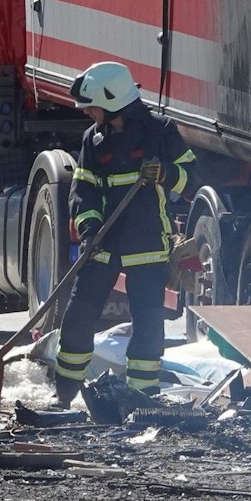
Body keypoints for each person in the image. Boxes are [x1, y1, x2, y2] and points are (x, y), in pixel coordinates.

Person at [55, 60, 196, 403]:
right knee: (79, 315)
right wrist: (88, 229)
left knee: (148, 323)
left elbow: (193, 179)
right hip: (102, 242)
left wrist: (164, 172)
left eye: (92, 105)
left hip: (147, 242)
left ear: (113, 99)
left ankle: (142, 397)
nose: (87, 112)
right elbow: (83, 190)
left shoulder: (160, 132)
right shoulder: (94, 139)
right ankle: (64, 394)